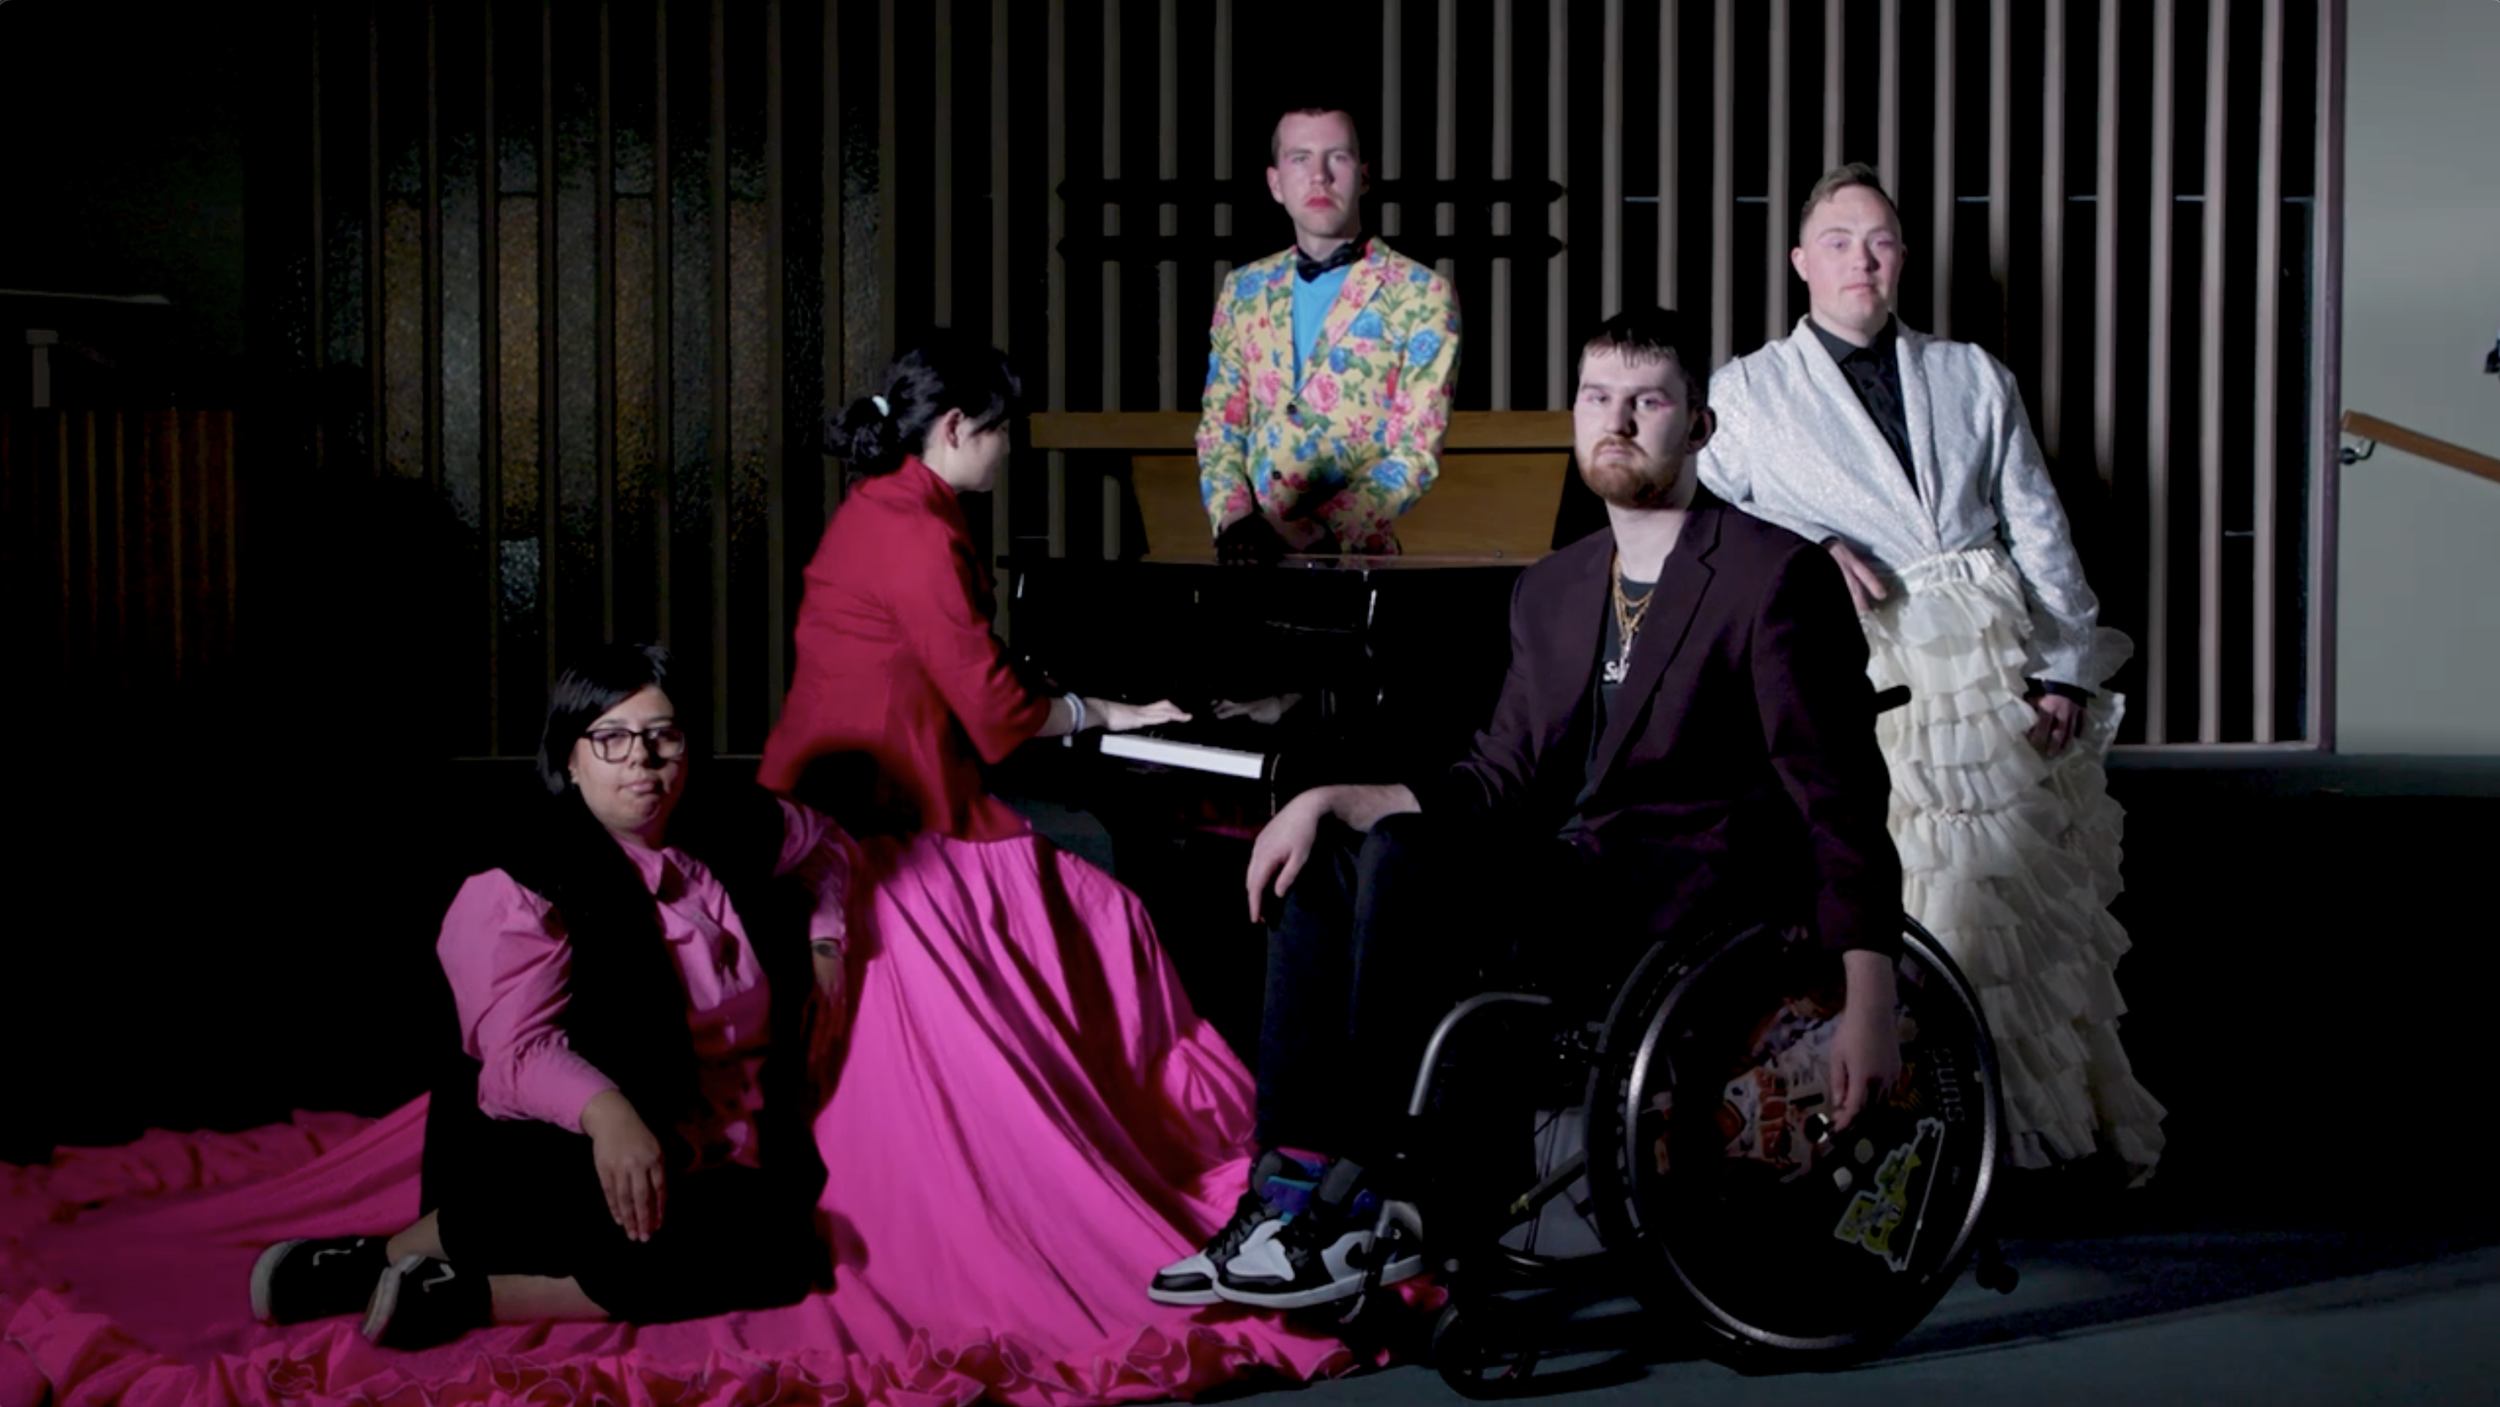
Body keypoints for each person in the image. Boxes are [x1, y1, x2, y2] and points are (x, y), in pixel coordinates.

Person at [1150, 307, 1908, 1311]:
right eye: (1599, 398)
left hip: (1694, 902)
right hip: (1571, 875)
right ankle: (1286, 1186)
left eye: (1648, 401)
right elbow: (1493, 779)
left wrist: (1872, 992)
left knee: (1410, 861)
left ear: (1701, 426)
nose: (1620, 422)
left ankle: (1384, 1190)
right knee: (1332, 855)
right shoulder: (1551, 589)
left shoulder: (1772, 576)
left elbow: (1840, 799)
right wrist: (1330, 800)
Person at [1696, 162, 2165, 1183]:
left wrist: (2063, 666)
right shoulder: (1743, 391)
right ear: (1797, 261)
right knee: (1888, 893)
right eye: (1837, 239)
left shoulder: (1969, 374)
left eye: (1879, 240)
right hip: (1850, 664)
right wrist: (1813, 545)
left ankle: (2011, 1134)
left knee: (2000, 893)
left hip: (1986, 657)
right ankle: (1899, 1137)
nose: (1860, 259)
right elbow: (1708, 523)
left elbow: (2036, 521)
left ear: (1902, 257)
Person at [244, 643, 851, 1347]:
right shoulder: (522, 879)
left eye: (662, 735)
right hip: (549, 1142)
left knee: (784, 1252)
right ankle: (391, 1266)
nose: (642, 760)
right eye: (612, 739)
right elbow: (516, 1057)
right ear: (569, 757)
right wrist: (609, 1113)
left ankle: (456, 1289)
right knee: (623, 1204)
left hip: (708, 1143)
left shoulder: (728, 824)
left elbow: (830, 846)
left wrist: (825, 942)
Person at [757, 334, 1189, 835]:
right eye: (1000, 429)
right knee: (1092, 867)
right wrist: (1095, 710)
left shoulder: (884, 500)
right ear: (956, 427)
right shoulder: (918, 531)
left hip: (839, 777)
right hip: (872, 805)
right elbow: (994, 712)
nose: (1007, 446)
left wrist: (1032, 686)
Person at [1195, 104, 1462, 564]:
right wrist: (1235, 519)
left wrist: (1312, 531)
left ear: (1363, 176)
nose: (1318, 176)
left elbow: (1414, 454)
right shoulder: (1243, 289)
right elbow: (1221, 426)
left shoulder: (1424, 294)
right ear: (1276, 183)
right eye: (1300, 158)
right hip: (1246, 559)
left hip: (1353, 562)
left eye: (1336, 156)